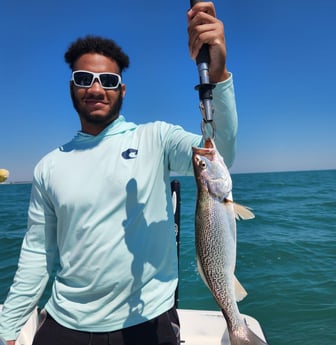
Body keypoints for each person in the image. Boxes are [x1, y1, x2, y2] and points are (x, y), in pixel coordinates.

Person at [0, 2, 238, 345]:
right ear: (71, 88)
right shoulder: (48, 166)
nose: (96, 89)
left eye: (108, 80)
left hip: (148, 319)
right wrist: (8, 328)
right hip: (66, 321)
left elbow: (220, 156)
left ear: (121, 90)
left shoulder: (156, 138)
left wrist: (217, 76)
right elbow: (38, 253)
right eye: (84, 79)